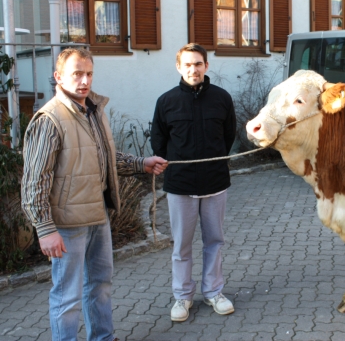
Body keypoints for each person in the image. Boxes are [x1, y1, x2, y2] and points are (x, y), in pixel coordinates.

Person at [21, 48, 168, 341]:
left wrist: (141, 163)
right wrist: (45, 228)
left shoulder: (93, 111)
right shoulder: (49, 119)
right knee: (67, 298)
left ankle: (102, 337)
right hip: (67, 225)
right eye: (77, 73)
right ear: (58, 77)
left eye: (89, 73)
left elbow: (105, 158)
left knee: (100, 284)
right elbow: (35, 180)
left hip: (97, 215)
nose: (84, 80)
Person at [151, 43, 237, 322]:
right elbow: (159, 142)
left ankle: (213, 292)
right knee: (182, 246)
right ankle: (182, 296)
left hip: (215, 182)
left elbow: (228, 136)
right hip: (181, 186)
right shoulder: (166, 102)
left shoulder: (222, 98)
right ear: (179, 67)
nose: (193, 69)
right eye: (187, 64)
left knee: (214, 240)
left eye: (198, 63)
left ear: (206, 66)